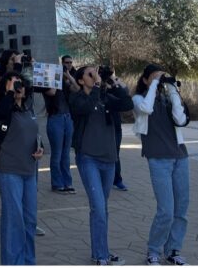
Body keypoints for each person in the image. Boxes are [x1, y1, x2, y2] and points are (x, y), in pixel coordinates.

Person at [70, 65, 133, 266]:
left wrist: (114, 82)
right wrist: (97, 86)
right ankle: (100, 256)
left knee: (102, 208)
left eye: (96, 73)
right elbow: (86, 107)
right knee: (98, 207)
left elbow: (126, 103)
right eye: (90, 74)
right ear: (80, 80)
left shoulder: (105, 97)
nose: (95, 76)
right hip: (89, 159)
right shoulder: (77, 98)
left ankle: (102, 251)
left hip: (109, 160)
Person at [132, 64, 190, 266]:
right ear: (145, 79)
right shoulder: (138, 99)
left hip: (180, 156)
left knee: (180, 209)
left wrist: (173, 91)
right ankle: (154, 251)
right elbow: (146, 109)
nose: (159, 81)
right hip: (158, 158)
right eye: (154, 77)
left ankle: (173, 250)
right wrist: (155, 82)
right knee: (166, 209)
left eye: (161, 77)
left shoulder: (167, 99)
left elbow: (180, 119)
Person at [0, 71, 45, 265]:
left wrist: (40, 149)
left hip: (29, 171)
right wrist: (8, 94)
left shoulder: (28, 110)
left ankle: (28, 261)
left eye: (21, 84)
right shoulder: (2, 108)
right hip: (9, 171)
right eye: (14, 83)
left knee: (30, 220)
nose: (19, 87)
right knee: (14, 221)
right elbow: (0, 114)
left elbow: (35, 136)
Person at [42, 56, 79, 194]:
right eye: (65, 63)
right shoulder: (49, 81)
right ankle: (57, 183)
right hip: (55, 118)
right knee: (57, 153)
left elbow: (77, 89)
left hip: (67, 117)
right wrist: (55, 74)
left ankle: (67, 182)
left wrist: (68, 75)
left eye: (70, 63)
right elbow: (51, 92)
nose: (68, 65)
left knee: (66, 153)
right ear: (60, 64)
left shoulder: (67, 81)